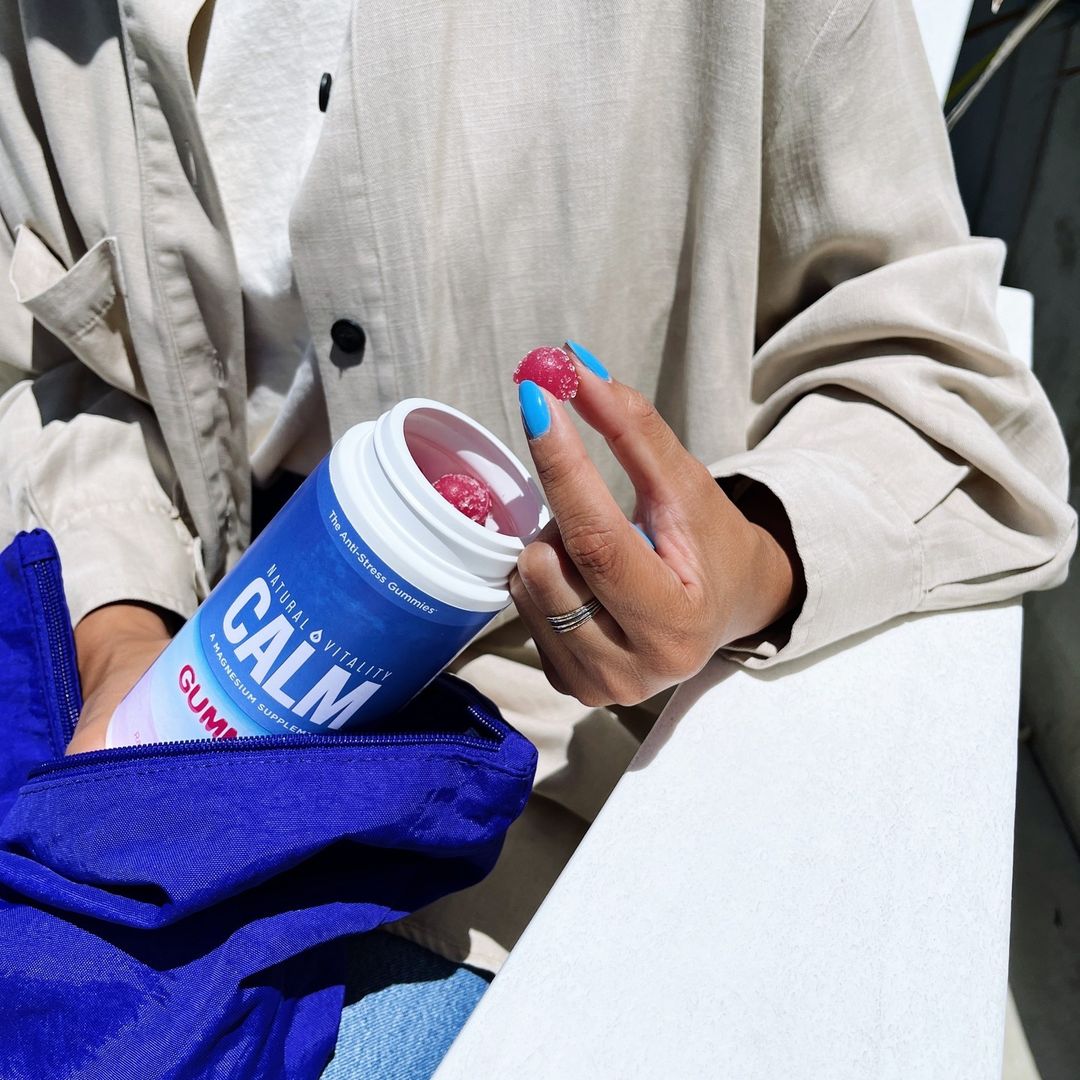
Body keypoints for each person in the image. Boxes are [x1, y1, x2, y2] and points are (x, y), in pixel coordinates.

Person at [0, 0, 1075, 1074]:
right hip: (154, 658)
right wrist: (120, 624)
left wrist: (743, 563)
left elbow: (946, 391)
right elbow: (56, 347)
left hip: (518, 785)